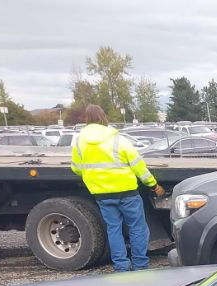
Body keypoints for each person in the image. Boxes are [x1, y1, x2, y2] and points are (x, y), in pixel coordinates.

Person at [71, 105, 165, 271]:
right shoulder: (118, 139)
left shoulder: (79, 141)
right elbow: (138, 167)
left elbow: (77, 168)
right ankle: (140, 265)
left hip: (102, 194)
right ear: (103, 117)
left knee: (113, 229)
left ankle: (121, 266)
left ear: (87, 119)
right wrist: (153, 184)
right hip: (127, 192)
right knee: (137, 228)